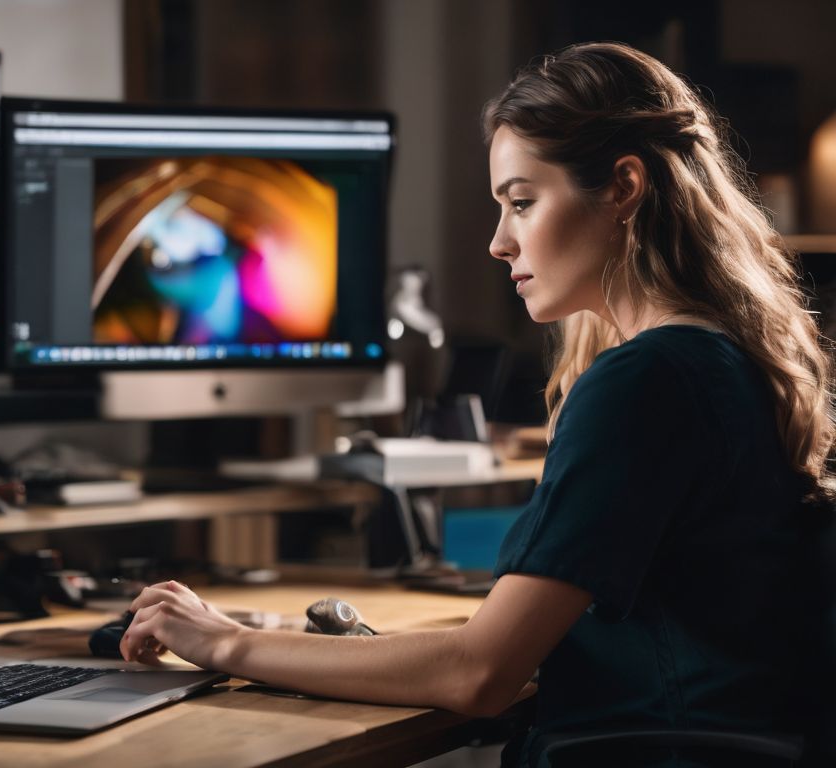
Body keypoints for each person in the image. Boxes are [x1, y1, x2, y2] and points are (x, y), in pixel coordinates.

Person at [120, 42, 835, 766]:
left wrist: (225, 640)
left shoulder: (646, 380)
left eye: (523, 202)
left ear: (623, 187)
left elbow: (480, 673)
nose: (499, 242)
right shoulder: (721, 358)